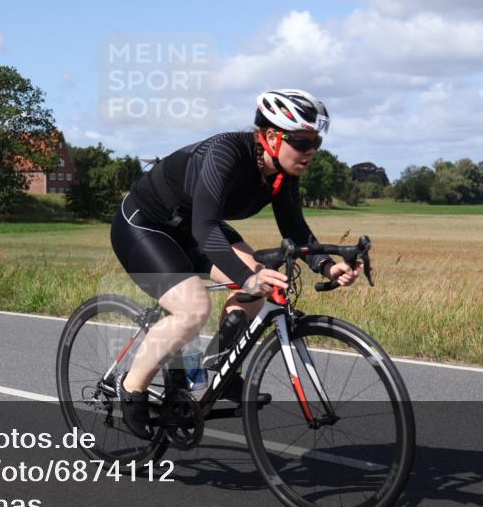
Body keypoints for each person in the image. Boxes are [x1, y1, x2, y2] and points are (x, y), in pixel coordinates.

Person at [109, 89, 361, 439]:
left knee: (265, 284)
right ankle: (132, 388)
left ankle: (222, 370)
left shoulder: (283, 172)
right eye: (303, 142)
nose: (312, 151)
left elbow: (295, 229)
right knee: (194, 309)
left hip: (196, 226)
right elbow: (204, 227)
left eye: (316, 142)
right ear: (272, 136)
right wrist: (245, 276)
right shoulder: (225, 153)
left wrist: (327, 266)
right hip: (147, 225)